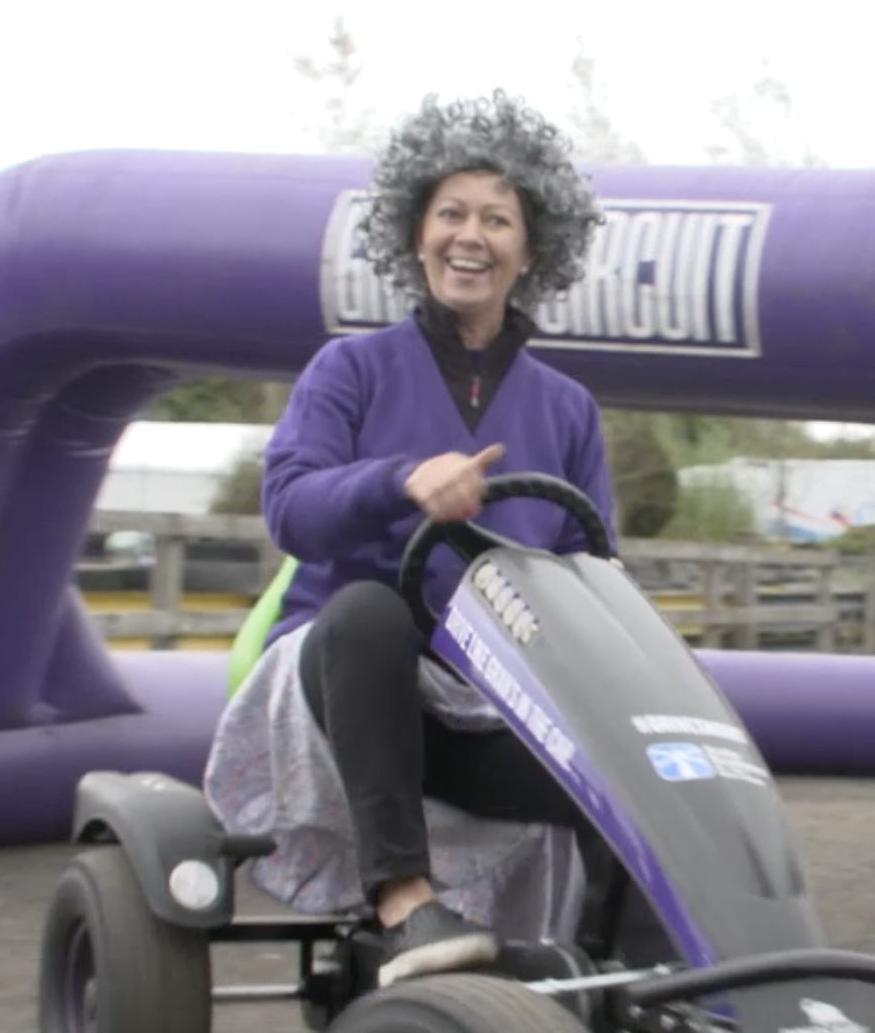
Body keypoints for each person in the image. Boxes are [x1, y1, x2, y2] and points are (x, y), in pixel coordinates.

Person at [211, 91, 620, 987]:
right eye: (451, 213)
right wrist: (400, 479)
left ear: (531, 249)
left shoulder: (568, 411)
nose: (470, 235)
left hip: (484, 704)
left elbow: (598, 576)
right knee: (367, 613)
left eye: (496, 218)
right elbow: (290, 506)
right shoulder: (348, 370)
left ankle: (614, 983)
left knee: (623, 762)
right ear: (416, 231)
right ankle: (404, 903)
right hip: (346, 681)